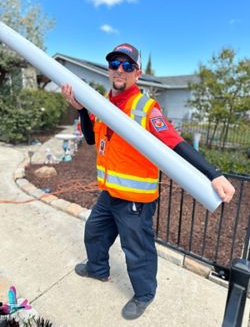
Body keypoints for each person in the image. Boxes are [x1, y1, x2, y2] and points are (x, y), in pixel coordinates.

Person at [61, 43, 235, 320]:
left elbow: (175, 142)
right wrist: (80, 109)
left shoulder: (145, 107)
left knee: (137, 250)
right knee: (94, 232)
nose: (120, 70)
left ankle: (144, 294)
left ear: (137, 73)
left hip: (135, 201)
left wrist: (213, 174)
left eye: (127, 65)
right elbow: (92, 138)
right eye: (114, 64)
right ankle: (98, 269)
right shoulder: (103, 103)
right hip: (110, 193)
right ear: (108, 70)